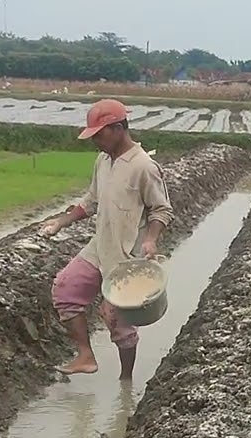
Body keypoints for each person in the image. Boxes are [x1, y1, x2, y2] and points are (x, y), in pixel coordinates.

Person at [39, 98, 174, 379]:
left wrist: (151, 239)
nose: (95, 141)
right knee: (65, 289)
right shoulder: (103, 161)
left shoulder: (144, 167)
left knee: (117, 321)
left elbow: (161, 209)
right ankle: (86, 356)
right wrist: (60, 222)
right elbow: (90, 202)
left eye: (99, 135)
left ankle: (126, 379)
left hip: (127, 257)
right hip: (100, 247)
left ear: (118, 128)